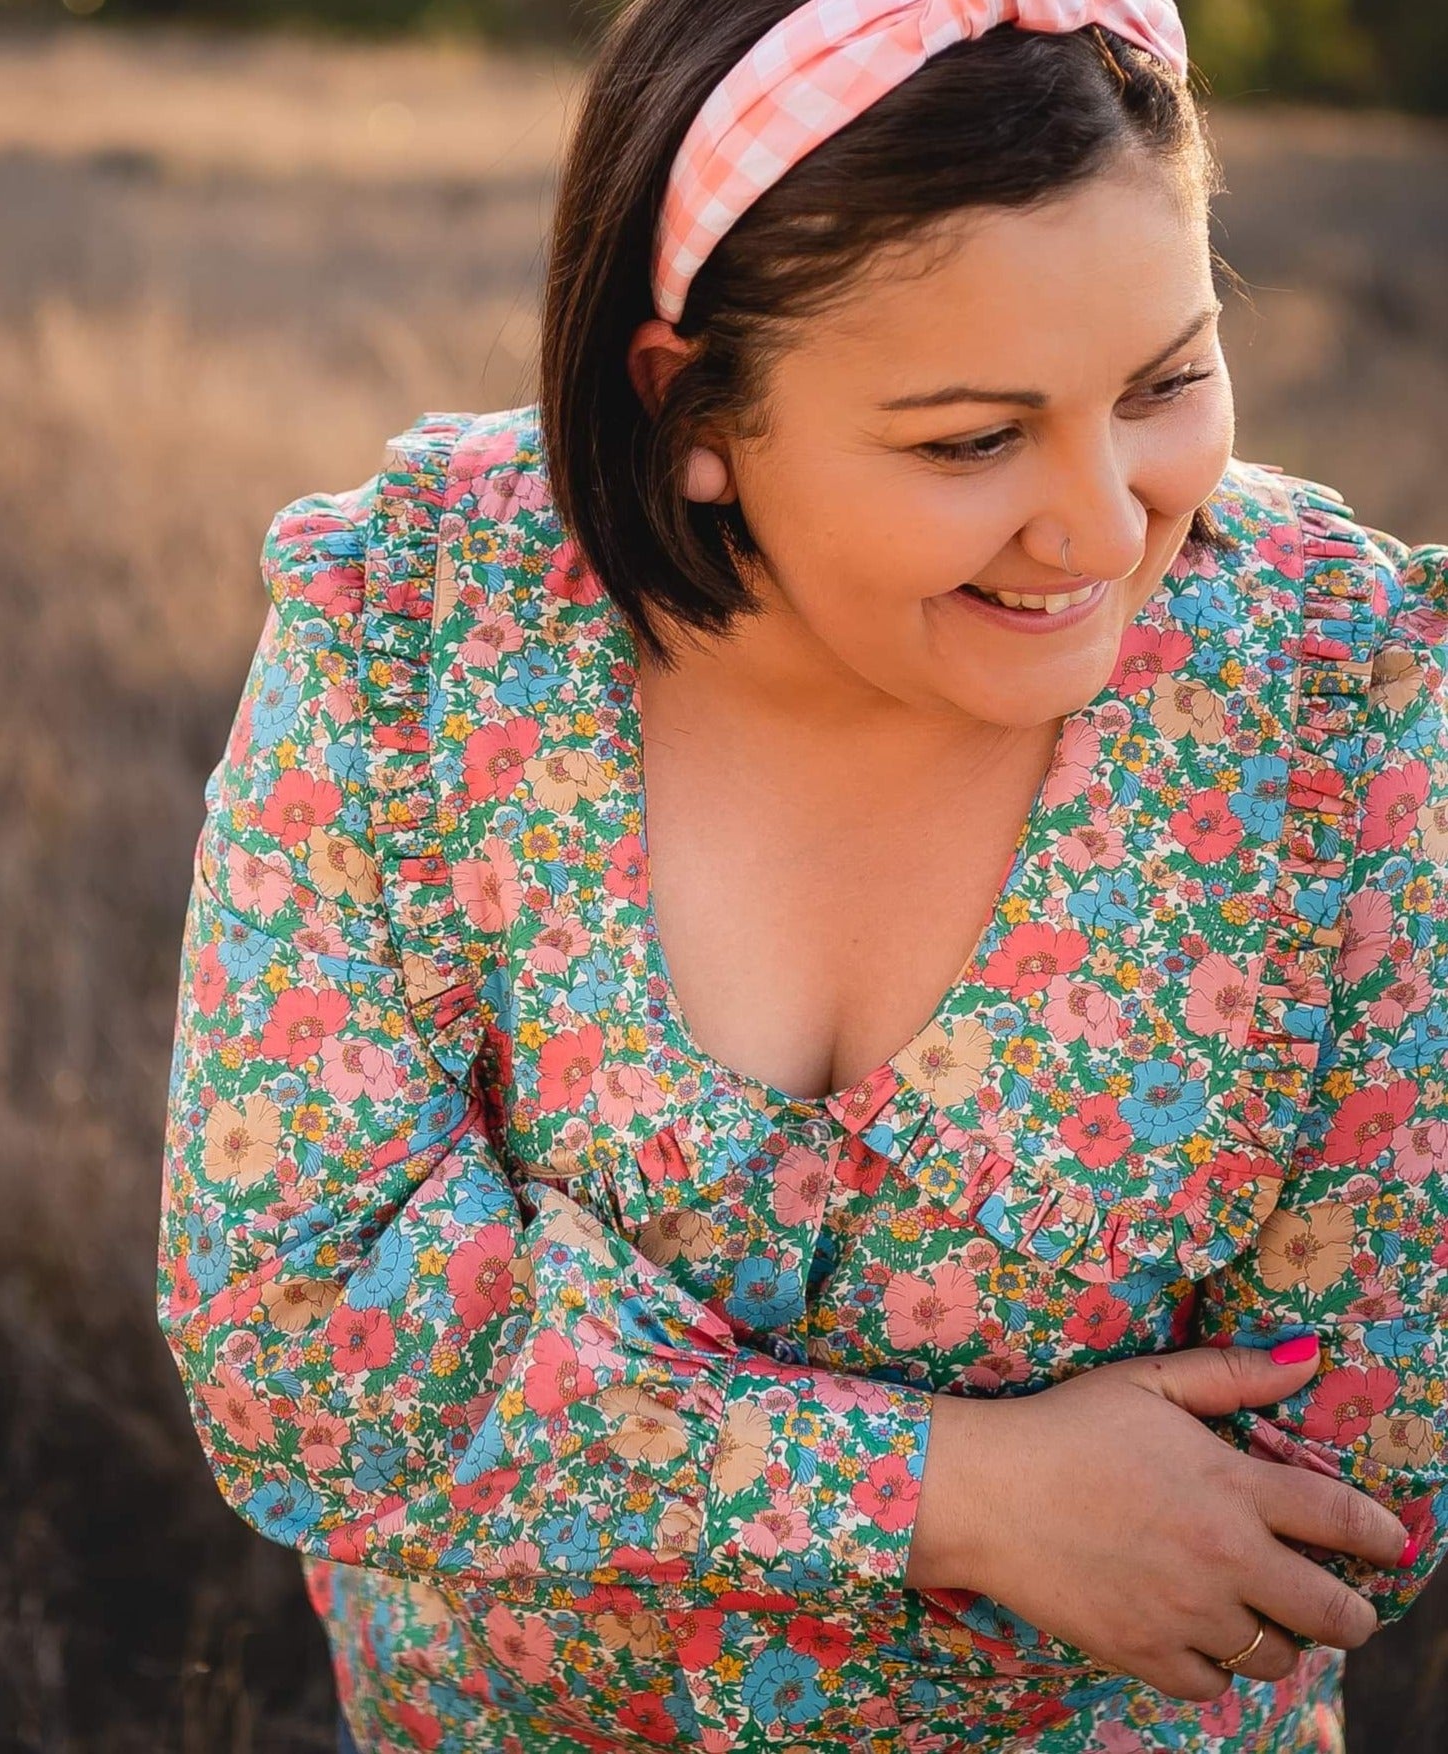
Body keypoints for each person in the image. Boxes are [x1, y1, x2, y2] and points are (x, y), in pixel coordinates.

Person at [155, 3, 1448, 1749]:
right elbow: (300, 1345)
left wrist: (580, 1439)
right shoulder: (416, 628)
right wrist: (963, 1493)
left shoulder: (1340, 693)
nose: (1101, 525)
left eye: (1162, 383)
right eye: (969, 440)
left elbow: (1345, 1498)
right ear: (689, 406)